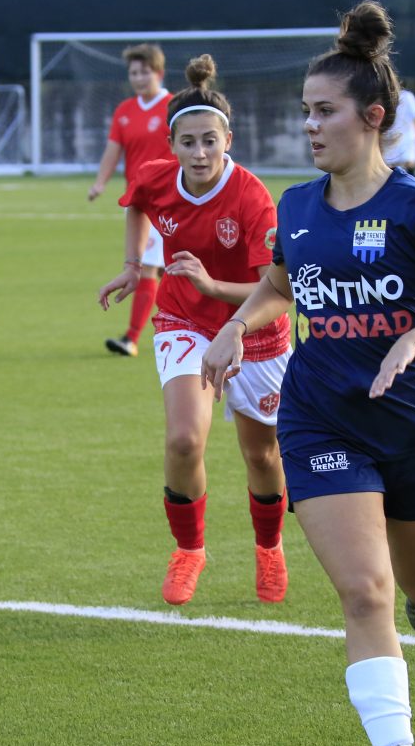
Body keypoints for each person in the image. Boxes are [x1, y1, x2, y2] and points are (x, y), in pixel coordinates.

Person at [200, 2, 415, 746]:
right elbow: (279, 283)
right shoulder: (295, 208)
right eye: (304, 111)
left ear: (372, 119)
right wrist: (232, 328)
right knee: (364, 592)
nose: (309, 125)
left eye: (324, 110)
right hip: (320, 418)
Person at [98, 55, 291, 608]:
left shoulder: (254, 198)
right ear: (171, 144)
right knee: (184, 439)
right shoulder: (156, 177)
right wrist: (135, 267)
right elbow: (136, 204)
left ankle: (269, 547)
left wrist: (211, 286)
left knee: (262, 457)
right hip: (183, 321)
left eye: (210, 140)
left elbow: (277, 294)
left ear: (228, 139)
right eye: (188, 142)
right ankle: (190, 550)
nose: (200, 153)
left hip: (257, 330)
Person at [88, 44, 174, 357]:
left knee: (152, 268)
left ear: (159, 73)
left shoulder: (173, 106)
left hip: (169, 201)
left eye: (144, 72)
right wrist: (100, 182)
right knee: (164, 269)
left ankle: (132, 338)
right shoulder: (125, 110)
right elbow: (114, 149)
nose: (138, 78)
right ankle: (175, 329)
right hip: (141, 204)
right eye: (133, 73)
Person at [382, 86, 415, 172]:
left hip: (390, 141)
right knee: (409, 171)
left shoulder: (385, 97)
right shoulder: (408, 97)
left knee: (390, 172)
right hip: (406, 140)